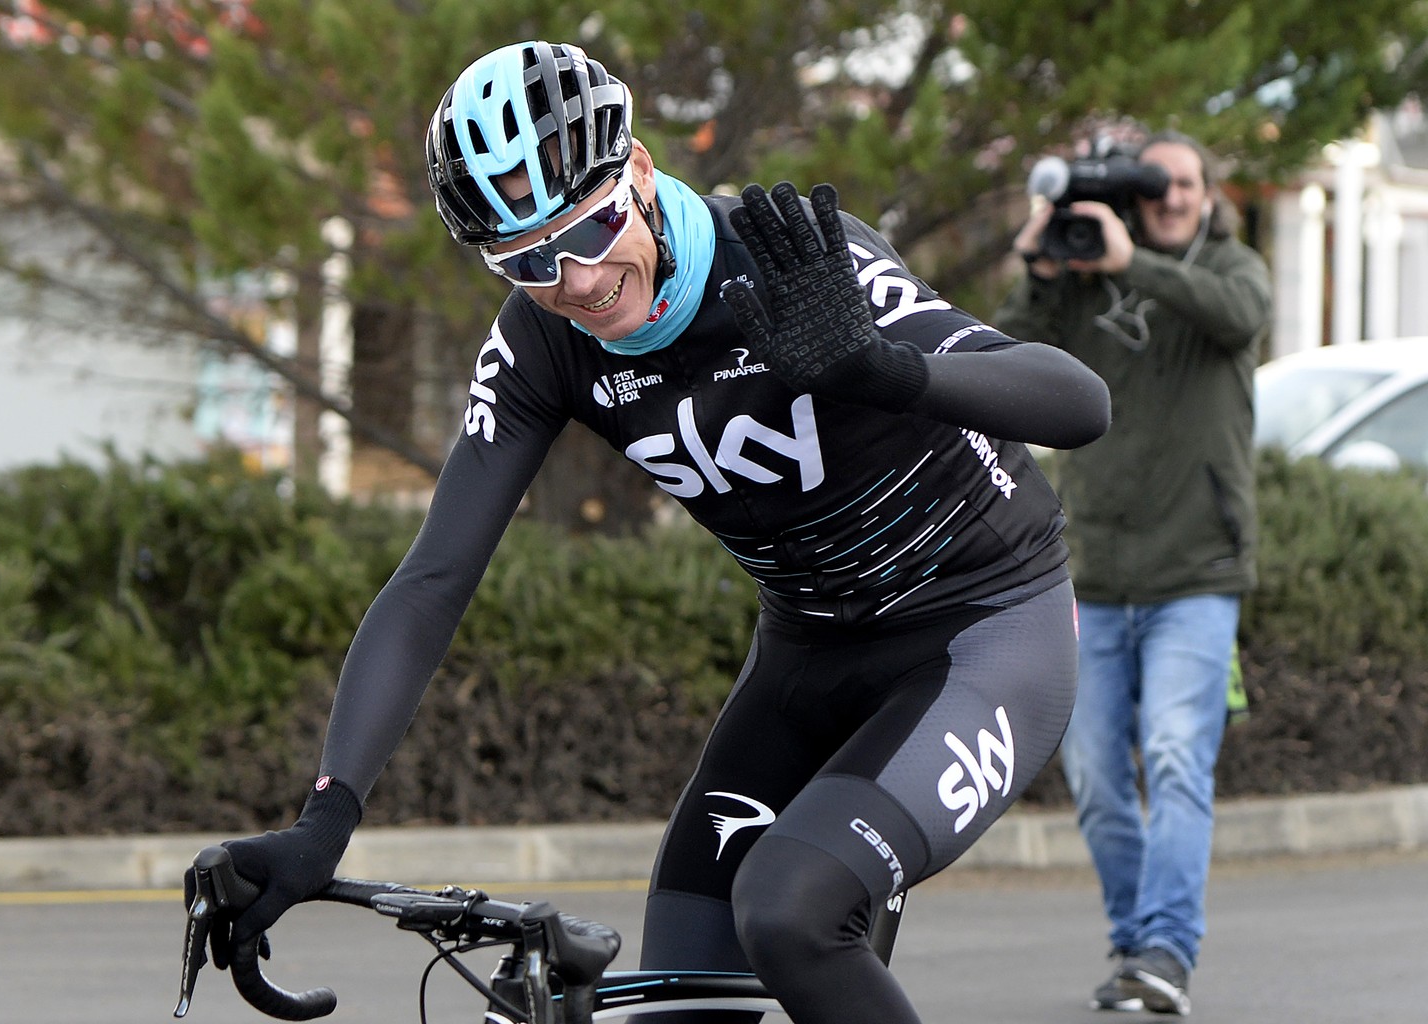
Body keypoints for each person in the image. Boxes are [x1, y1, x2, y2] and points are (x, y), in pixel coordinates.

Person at [195, 40, 1109, 1024]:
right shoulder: (543, 340)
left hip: (983, 634)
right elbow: (432, 582)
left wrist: (881, 367)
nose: (578, 280)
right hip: (807, 655)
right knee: (680, 996)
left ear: (637, 171)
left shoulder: (791, 259)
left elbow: (1078, 401)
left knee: (789, 912)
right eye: (528, 259)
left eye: (589, 229)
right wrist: (325, 818)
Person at [994, 130, 1272, 1015]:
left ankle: (1166, 949)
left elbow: (1239, 319)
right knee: (1098, 777)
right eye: (1157, 185)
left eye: (1185, 182)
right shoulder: (1084, 276)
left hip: (1199, 572)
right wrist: (1040, 269)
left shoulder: (1234, 267)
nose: (1172, 196)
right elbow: (1009, 355)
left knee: (1178, 759)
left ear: (1207, 191)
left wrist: (1134, 265)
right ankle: (1137, 948)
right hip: (1099, 573)